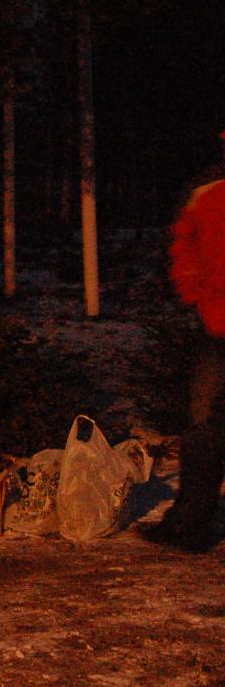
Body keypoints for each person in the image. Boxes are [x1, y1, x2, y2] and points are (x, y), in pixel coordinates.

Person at [146, 133, 225, 552]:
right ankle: (191, 524)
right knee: (202, 425)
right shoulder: (205, 187)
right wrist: (197, 294)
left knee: (204, 422)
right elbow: (182, 243)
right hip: (217, 324)